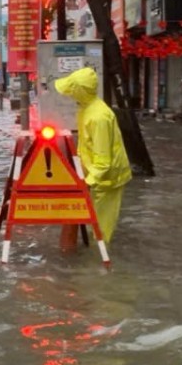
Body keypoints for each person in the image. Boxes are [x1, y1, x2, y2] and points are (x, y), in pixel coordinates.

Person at [53, 67, 132, 242]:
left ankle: (97, 259)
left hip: (108, 178)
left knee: (101, 228)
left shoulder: (98, 117)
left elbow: (103, 161)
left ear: (80, 91)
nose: (69, 95)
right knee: (92, 221)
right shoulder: (87, 109)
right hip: (95, 174)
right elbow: (86, 146)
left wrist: (87, 182)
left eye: (72, 91)